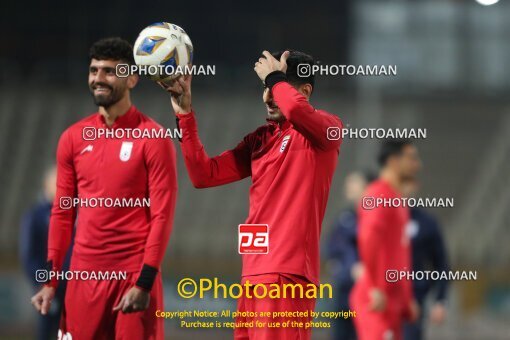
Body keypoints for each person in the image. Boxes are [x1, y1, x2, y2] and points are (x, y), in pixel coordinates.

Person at [162, 50, 343, 340]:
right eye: (265, 89)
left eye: (275, 88)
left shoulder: (327, 129)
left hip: (287, 274)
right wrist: (184, 114)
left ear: (305, 91)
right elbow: (203, 175)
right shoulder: (260, 139)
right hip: (253, 273)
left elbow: (296, 111)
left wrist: (274, 78)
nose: (268, 97)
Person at [30, 37, 178, 339]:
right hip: (83, 277)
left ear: (132, 79)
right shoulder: (72, 138)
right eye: (94, 70)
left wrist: (144, 282)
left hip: (132, 276)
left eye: (110, 71)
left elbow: (162, 216)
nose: (99, 78)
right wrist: (50, 280)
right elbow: (62, 214)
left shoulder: (154, 137)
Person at [350, 139, 421, 340]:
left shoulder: (397, 200)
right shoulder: (377, 195)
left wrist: (406, 299)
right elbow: (367, 237)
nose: (417, 164)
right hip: (375, 300)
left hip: (391, 302)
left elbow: (400, 254)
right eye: (411, 158)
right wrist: (373, 287)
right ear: (393, 161)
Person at [20, 166, 71, 340]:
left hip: (71, 288)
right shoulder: (34, 216)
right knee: (46, 332)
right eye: (58, 182)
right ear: (46, 184)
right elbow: (29, 256)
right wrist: (45, 283)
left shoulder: (73, 213)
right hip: (49, 289)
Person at [326, 171, 372, 340]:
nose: (348, 188)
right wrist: (348, 268)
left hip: (371, 298)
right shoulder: (343, 220)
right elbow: (332, 251)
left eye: (353, 183)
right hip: (344, 295)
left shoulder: (379, 219)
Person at [402, 180, 449, 340]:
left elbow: (441, 263)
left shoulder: (427, 223)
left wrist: (440, 300)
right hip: (383, 299)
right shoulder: (378, 218)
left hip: (415, 299)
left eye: (406, 181)